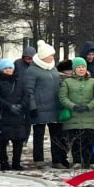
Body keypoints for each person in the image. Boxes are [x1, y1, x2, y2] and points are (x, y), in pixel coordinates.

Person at [25, 40, 67, 169]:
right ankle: (39, 160)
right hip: (39, 108)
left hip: (54, 107)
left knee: (56, 136)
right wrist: (32, 107)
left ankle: (57, 160)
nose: (52, 57)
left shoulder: (53, 68)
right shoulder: (32, 70)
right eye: (50, 55)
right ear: (43, 56)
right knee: (39, 136)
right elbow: (29, 91)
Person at [0, 58, 34, 170]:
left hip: (18, 116)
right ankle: (4, 163)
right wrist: (9, 106)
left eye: (10, 68)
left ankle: (16, 163)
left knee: (18, 141)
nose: (8, 70)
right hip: (3, 116)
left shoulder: (19, 80)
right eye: (6, 68)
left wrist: (21, 106)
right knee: (2, 141)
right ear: (1, 69)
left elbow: (26, 95)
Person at [59, 57, 94, 167]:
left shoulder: (93, 82)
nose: (81, 69)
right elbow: (63, 97)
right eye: (78, 67)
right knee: (75, 140)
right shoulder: (67, 82)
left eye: (83, 67)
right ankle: (77, 161)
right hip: (73, 116)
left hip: (89, 116)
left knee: (90, 139)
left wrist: (88, 106)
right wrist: (73, 106)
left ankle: (91, 161)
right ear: (74, 69)